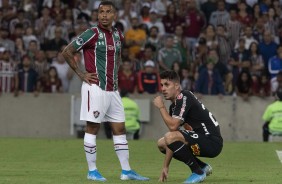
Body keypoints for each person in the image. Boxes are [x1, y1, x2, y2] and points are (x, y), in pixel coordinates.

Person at [61, 1, 149, 182]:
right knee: (93, 127)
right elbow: (67, 51)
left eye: (108, 12)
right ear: (97, 14)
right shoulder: (91, 34)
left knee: (120, 128)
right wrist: (81, 74)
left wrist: (115, 76)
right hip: (95, 88)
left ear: (114, 15)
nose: (104, 15)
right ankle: (92, 171)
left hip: (113, 90)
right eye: (101, 12)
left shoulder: (118, 35)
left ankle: (126, 171)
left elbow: (118, 57)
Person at [153, 70, 223, 183]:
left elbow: (172, 127)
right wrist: (165, 166)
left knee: (169, 137)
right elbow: (171, 140)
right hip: (199, 140)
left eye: (167, 84)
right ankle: (202, 167)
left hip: (211, 141)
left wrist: (161, 107)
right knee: (162, 143)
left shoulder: (184, 96)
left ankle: (197, 172)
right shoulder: (174, 107)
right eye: (161, 85)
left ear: (176, 86)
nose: (163, 89)